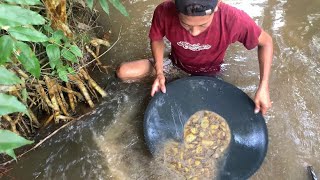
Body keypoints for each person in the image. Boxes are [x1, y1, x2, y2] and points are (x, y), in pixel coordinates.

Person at [116, 0, 273, 115]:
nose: (195, 33)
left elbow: (266, 42)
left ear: (217, 6)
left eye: (203, 25)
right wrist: (159, 72)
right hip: (175, 65)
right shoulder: (164, 11)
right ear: (176, 11)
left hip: (210, 74)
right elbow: (156, 38)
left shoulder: (233, 19)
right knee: (123, 72)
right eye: (187, 25)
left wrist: (264, 85)